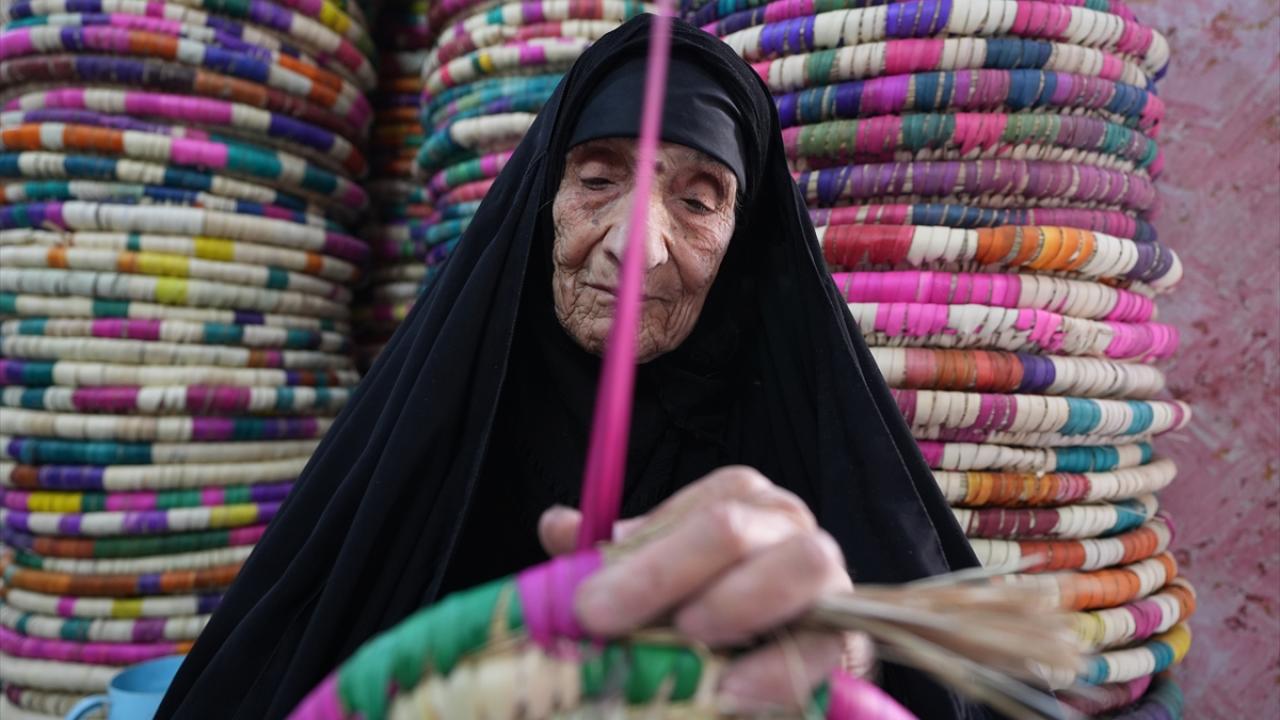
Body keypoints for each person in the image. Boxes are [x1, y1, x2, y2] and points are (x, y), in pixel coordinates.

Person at [158, 16, 990, 719]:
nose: (639, 246)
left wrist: (842, 658)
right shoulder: (439, 426)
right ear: (540, 199)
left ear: (744, 240)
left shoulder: (799, 443)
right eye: (598, 179)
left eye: (699, 202)